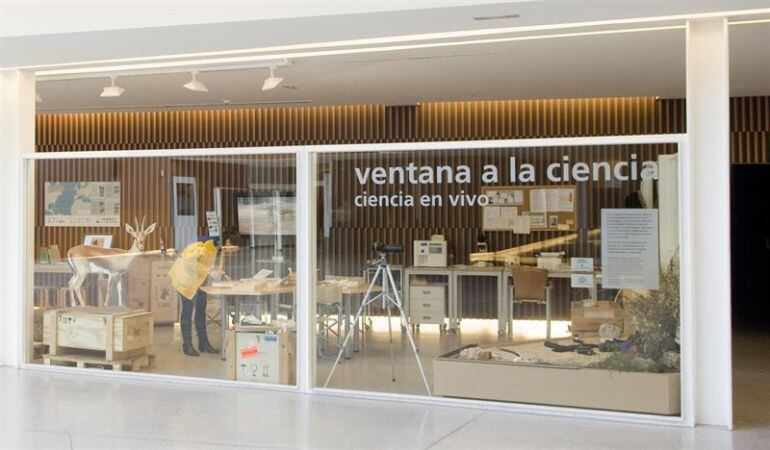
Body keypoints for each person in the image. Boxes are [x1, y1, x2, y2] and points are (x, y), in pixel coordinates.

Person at [168, 239, 220, 357]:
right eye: (231, 246)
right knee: (187, 311)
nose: (233, 249)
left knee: (201, 310)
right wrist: (210, 272)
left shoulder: (214, 249)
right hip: (185, 282)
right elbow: (189, 262)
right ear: (224, 242)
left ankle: (203, 343)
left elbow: (205, 266)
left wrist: (220, 274)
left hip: (198, 282)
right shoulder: (199, 247)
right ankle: (187, 345)